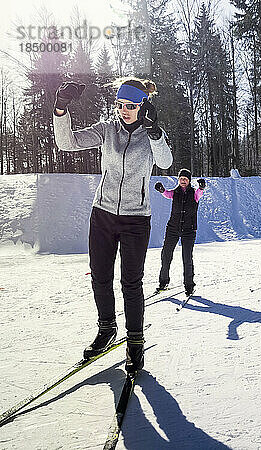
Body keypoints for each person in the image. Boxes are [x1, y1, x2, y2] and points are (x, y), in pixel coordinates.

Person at [53, 77, 173, 373]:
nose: (124, 110)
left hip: (136, 219)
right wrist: (60, 108)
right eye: (120, 105)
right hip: (103, 214)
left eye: (131, 106)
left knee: (131, 284)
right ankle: (106, 330)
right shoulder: (107, 130)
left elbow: (166, 162)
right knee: (100, 277)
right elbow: (67, 143)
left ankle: (135, 343)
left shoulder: (151, 135)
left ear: (143, 106)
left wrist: (154, 131)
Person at [154, 169, 206, 296]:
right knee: (166, 255)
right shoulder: (175, 192)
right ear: (179, 180)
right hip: (173, 228)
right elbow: (167, 194)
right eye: (181, 179)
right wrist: (161, 189)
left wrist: (202, 187)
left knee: (187, 258)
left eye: (185, 179)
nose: (183, 181)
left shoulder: (194, 193)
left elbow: (200, 193)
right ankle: (163, 282)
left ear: (189, 181)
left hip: (189, 230)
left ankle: (189, 285)